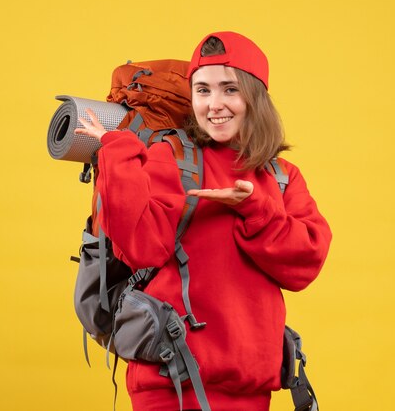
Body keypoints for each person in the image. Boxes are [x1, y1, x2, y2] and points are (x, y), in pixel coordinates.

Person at [75, 31, 332, 411]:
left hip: (251, 390)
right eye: (203, 90)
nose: (215, 105)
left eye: (230, 89)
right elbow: (140, 249)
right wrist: (119, 152)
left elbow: (304, 264)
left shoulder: (281, 176)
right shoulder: (170, 157)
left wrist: (255, 208)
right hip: (169, 388)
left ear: (255, 96)